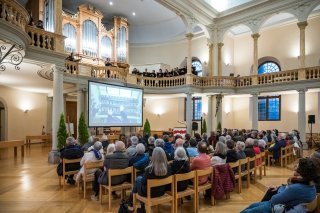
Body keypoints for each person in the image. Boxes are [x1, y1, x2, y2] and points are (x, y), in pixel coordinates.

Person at [240, 158, 317, 213]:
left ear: (301, 172)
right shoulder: (311, 185)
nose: (296, 168)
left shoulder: (296, 188)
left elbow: (274, 200)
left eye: (298, 167)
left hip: (277, 207)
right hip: (286, 204)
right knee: (252, 205)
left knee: (248, 211)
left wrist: (284, 188)